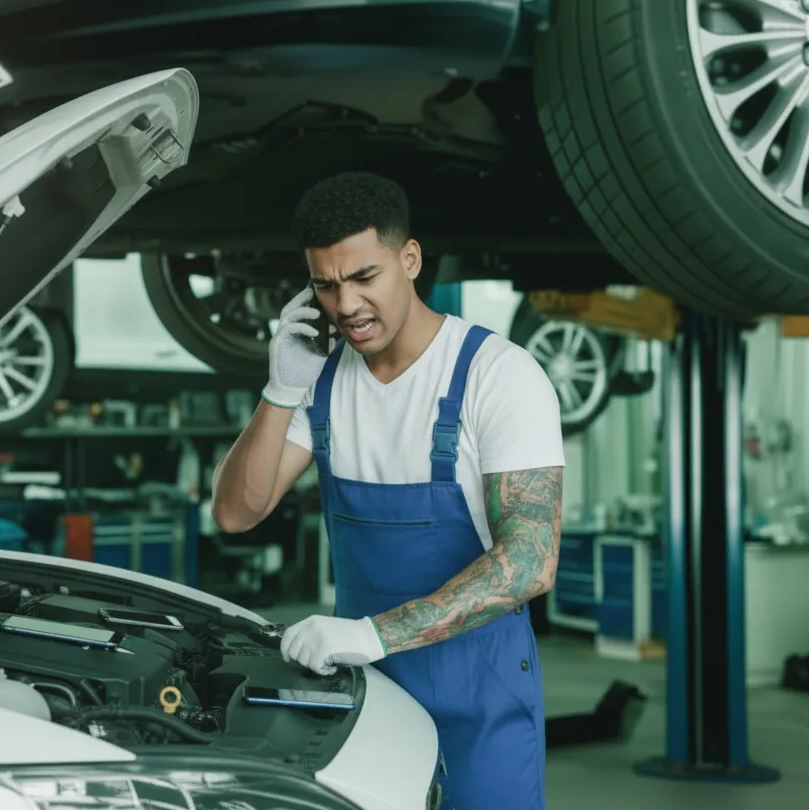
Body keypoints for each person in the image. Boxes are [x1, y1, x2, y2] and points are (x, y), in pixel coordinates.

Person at [210, 171, 564, 810]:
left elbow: (530, 563)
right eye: (325, 284)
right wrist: (281, 389)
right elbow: (237, 512)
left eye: (364, 277)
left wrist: (371, 636)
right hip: (365, 696)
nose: (344, 306)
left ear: (410, 259)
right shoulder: (319, 381)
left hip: (477, 695)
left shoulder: (499, 376)